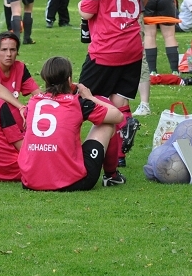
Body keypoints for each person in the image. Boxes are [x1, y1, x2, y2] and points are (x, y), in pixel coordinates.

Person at [78, 0, 144, 173]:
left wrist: (78, 7)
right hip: (132, 48)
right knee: (117, 102)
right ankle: (117, 158)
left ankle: (68, 149)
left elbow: (87, 12)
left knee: (80, 101)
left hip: (107, 49)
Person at [18, 57, 124, 191]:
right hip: (72, 182)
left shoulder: (33, 102)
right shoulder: (77, 103)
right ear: (69, 80)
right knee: (108, 124)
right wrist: (90, 98)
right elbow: (118, 116)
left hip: (30, 181)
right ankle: (111, 176)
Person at [0, 31, 41, 128]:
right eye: (4, 50)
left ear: (17, 52)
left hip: (9, 118)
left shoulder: (20, 67)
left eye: (13, 50)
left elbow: (38, 94)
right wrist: (21, 107)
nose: (9, 54)